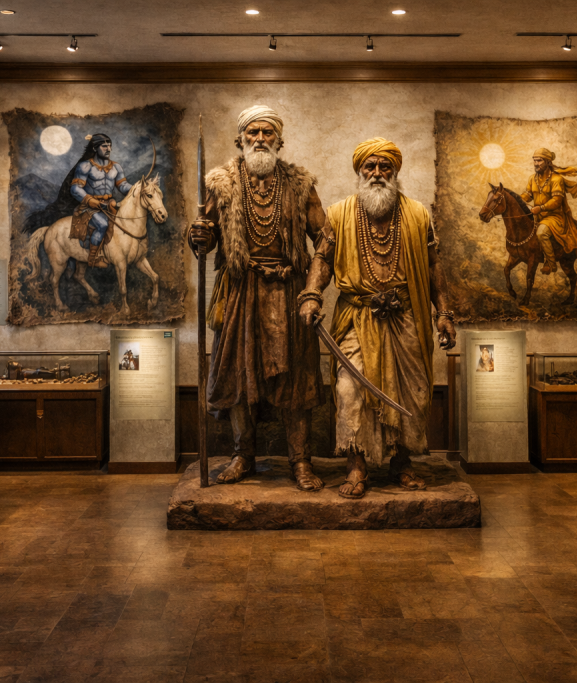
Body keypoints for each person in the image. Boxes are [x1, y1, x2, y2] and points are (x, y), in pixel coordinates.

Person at [298, 138, 456, 499]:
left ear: (395, 172)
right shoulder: (339, 214)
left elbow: (434, 266)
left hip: (406, 317)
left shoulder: (418, 214)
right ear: (359, 171)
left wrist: (444, 312)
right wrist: (311, 294)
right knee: (349, 389)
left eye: (385, 166)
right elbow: (322, 259)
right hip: (357, 316)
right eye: (370, 166)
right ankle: (356, 465)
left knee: (412, 393)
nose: (377, 173)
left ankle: (402, 462)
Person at [187, 105, 328, 491]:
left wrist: (313, 291)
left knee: (297, 379)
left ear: (279, 140)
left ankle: (300, 460)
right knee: (237, 374)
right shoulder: (222, 183)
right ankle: (242, 455)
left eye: (268, 132)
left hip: (290, 292)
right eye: (253, 132)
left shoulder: (300, 184)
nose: (261, 139)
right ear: (241, 139)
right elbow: (205, 236)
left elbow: (325, 241)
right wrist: (199, 235)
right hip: (241, 292)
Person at [520, 148, 577, 275]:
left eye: (539, 160)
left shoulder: (556, 179)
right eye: (534, 160)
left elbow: (556, 201)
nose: (536, 163)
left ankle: (551, 264)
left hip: (555, 217)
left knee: (541, 233)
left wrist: (540, 208)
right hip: (538, 216)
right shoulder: (532, 178)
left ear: (548, 162)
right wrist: (516, 199)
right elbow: (528, 195)